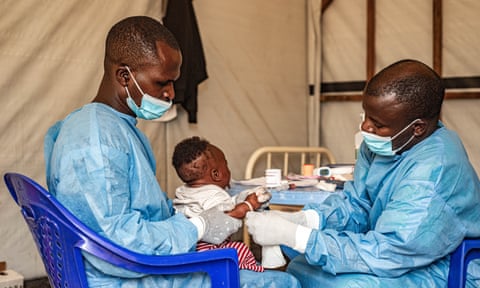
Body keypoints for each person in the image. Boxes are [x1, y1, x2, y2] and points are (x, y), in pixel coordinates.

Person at [44, 16, 300, 287]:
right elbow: (116, 244)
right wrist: (196, 227)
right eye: (161, 82)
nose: (171, 93)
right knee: (283, 283)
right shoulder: (94, 139)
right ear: (124, 76)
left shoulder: (116, 129)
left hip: (142, 266)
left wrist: (205, 216)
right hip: (124, 277)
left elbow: (144, 213)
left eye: (173, 82)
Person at [245, 59, 480, 287]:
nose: (366, 127)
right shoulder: (386, 142)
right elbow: (357, 203)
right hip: (392, 250)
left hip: (445, 266)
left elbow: (392, 250)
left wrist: (299, 237)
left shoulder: (436, 170)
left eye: (377, 123)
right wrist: (307, 220)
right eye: (365, 115)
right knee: (299, 259)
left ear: (417, 128)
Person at [172, 136, 273, 272]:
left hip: (187, 247)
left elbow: (225, 205)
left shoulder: (184, 191)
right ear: (216, 174)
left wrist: (244, 197)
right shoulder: (215, 194)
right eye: (226, 164)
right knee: (240, 249)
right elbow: (225, 216)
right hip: (208, 247)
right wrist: (248, 205)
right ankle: (253, 272)